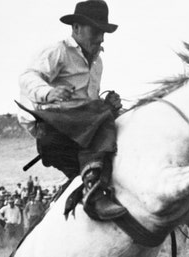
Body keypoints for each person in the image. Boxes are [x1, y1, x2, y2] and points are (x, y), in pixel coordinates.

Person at [17, 0, 126, 221]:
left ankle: (89, 191)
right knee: (102, 117)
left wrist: (108, 104)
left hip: (79, 134)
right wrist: (49, 93)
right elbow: (28, 77)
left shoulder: (98, 63)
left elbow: (89, 102)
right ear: (76, 28)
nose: (101, 38)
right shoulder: (58, 52)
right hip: (55, 133)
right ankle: (93, 194)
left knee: (112, 121)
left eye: (103, 32)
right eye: (96, 31)